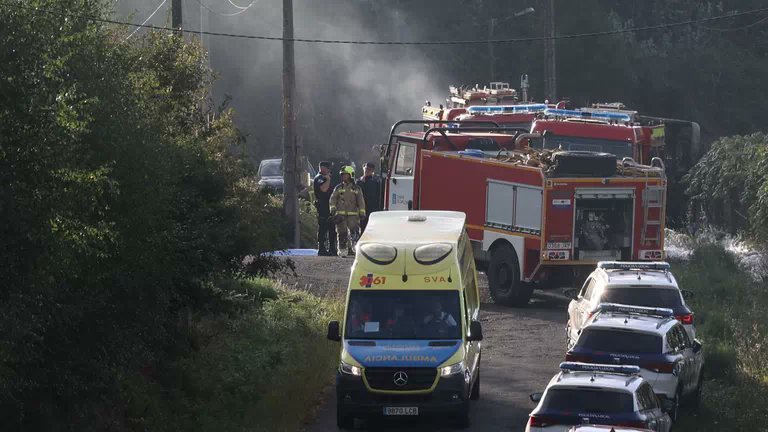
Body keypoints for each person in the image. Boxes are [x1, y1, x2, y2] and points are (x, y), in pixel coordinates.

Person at [330, 166, 366, 257]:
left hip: (353, 215)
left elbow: (361, 201)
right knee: (342, 233)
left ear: (351, 175)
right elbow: (333, 199)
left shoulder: (356, 188)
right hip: (340, 215)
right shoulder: (338, 187)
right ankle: (343, 250)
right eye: (342, 175)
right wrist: (333, 209)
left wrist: (362, 212)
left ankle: (355, 249)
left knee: (354, 232)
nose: (343, 176)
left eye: (345, 175)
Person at [313, 161, 337, 256]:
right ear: (322, 168)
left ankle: (332, 248)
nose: (329, 170)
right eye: (327, 168)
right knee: (323, 227)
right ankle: (322, 248)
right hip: (322, 206)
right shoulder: (319, 178)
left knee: (332, 228)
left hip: (329, 206)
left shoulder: (327, 177)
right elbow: (324, 189)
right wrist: (327, 180)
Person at [357, 162, 381, 233]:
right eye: (366, 169)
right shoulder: (358, 181)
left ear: (372, 171)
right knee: (361, 228)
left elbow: (378, 195)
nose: (367, 171)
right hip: (361, 208)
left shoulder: (376, 181)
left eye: (369, 170)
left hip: (372, 208)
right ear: (363, 168)